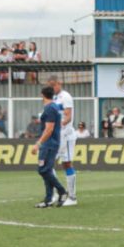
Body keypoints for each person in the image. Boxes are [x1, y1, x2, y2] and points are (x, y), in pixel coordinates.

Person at [46, 75, 78, 206]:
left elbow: (68, 117)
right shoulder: (52, 98)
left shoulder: (66, 97)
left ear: (59, 83)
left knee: (66, 164)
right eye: (50, 85)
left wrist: (58, 125)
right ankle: (55, 194)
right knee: (49, 164)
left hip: (66, 135)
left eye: (53, 85)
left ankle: (72, 197)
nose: (52, 87)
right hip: (56, 134)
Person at [34, 87, 68, 208]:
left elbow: (49, 129)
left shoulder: (49, 108)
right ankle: (48, 200)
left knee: (42, 170)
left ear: (42, 95)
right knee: (47, 170)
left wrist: (38, 143)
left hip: (48, 144)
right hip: (51, 143)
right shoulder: (54, 107)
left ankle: (62, 191)